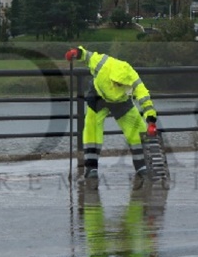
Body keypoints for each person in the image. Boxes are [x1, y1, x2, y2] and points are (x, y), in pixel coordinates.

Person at [65, 46, 158, 182]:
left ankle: (141, 166)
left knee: (137, 129)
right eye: (116, 83)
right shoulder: (102, 63)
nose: (117, 86)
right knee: (92, 130)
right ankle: (91, 168)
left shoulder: (132, 77)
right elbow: (87, 55)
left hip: (121, 101)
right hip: (98, 97)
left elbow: (144, 98)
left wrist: (151, 121)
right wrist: (76, 53)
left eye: (121, 84)